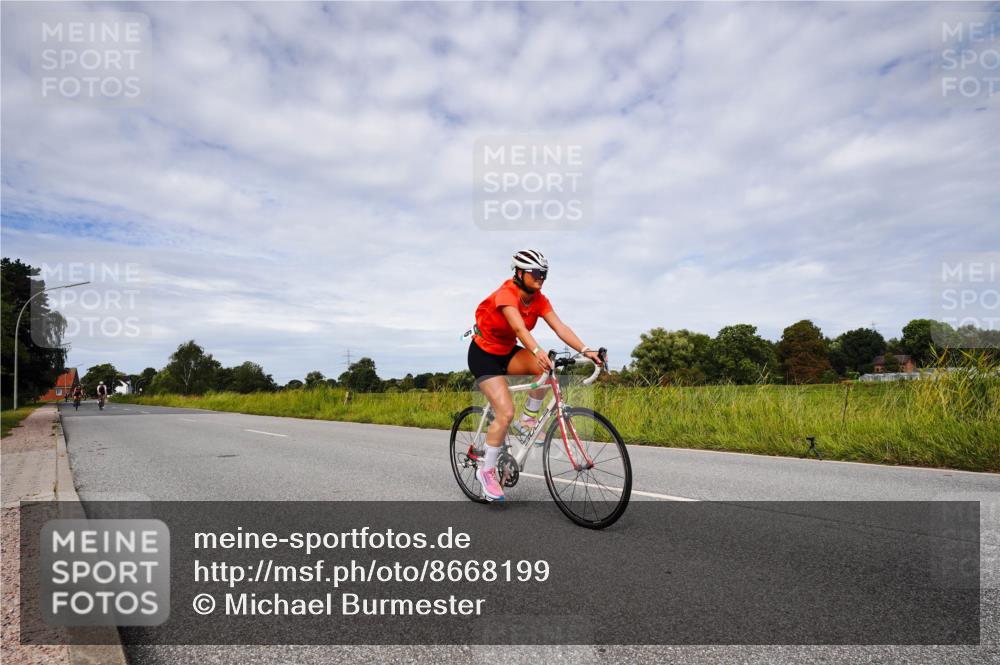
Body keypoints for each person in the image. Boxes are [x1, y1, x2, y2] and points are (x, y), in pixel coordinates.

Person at [468, 250, 601, 502]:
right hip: (483, 355)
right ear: (520, 273)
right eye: (537, 273)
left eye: (545, 273)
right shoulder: (507, 294)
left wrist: (585, 350)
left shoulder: (540, 299)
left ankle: (529, 420)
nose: (542, 278)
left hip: (507, 352)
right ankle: (486, 472)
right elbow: (518, 327)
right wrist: (537, 349)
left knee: (546, 368)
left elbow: (560, 326)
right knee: (505, 412)